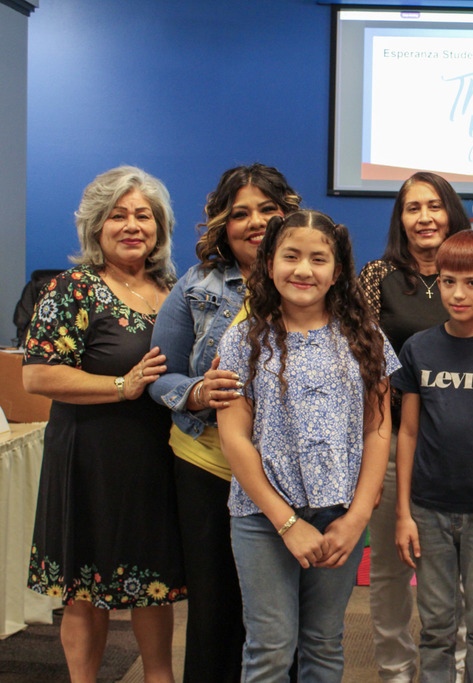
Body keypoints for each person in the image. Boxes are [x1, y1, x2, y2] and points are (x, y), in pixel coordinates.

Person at [216, 210, 397, 681]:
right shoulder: (242, 339)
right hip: (264, 518)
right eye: (291, 256)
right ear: (268, 264)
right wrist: (287, 522)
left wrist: (357, 518)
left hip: (339, 516)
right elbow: (234, 437)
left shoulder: (365, 338)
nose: (304, 270)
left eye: (319, 259)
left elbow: (379, 429)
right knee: (271, 648)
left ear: (336, 272)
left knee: (324, 641)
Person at [22, 166, 186, 683]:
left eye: (144, 215)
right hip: (90, 460)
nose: (132, 225)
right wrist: (122, 385)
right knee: (86, 589)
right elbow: (36, 375)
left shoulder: (173, 289)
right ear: (96, 227)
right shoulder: (73, 289)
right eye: (119, 215)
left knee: (155, 584)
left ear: (160, 227)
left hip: (161, 459)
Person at [148, 164, 301, 682]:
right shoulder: (196, 286)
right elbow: (158, 373)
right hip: (208, 468)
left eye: (267, 210)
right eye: (240, 214)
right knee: (215, 609)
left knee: (286, 616)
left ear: (288, 216)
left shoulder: (317, 281)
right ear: (222, 225)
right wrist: (193, 393)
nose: (255, 222)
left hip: (291, 477)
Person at [393, 230, 473, 683]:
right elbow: (407, 432)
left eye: (471, 283)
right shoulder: (419, 349)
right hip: (428, 510)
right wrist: (405, 512)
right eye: (448, 281)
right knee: (435, 627)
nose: (458, 293)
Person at [358, 171, 471, 682]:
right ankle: (396, 670)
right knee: (388, 569)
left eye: (434, 205)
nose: (424, 217)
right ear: (399, 218)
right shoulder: (376, 276)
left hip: (458, 448)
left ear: (450, 211)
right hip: (390, 439)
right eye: (412, 208)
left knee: (455, 576)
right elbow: (361, 361)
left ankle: (453, 669)